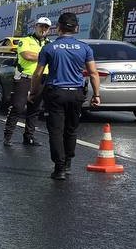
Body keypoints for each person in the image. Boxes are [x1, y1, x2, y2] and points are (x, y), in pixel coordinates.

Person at [29, 12, 101, 180]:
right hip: (76, 94)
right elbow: (93, 73)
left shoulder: (48, 48)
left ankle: (59, 167)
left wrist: (33, 92)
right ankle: (68, 162)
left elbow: (37, 74)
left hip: (56, 94)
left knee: (55, 131)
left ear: (58, 28)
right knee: (71, 130)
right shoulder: (85, 48)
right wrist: (96, 95)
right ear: (76, 28)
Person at [3, 16, 53, 147]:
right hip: (25, 78)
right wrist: (46, 56)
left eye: (46, 27)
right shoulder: (25, 40)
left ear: (49, 30)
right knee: (18, 107)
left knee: (35, 109)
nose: (43, 29)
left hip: (42, 79)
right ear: (35, 26)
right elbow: (27, 55)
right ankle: (8, 136)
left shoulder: (49, 44)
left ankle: (29, 137)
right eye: (41, 26)